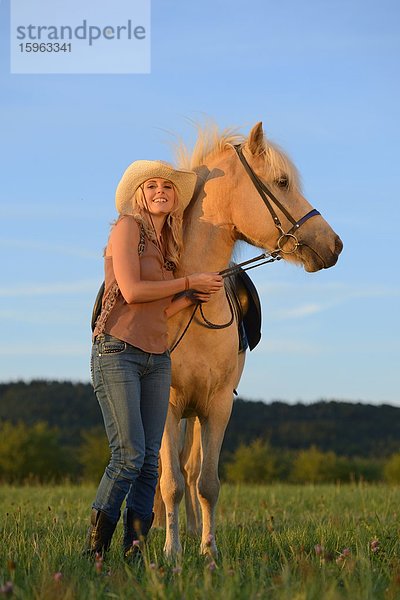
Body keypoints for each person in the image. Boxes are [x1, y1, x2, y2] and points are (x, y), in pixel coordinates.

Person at [87, 159, 223, 559]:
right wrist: (188, 282)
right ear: (139, 195)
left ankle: (135, 546)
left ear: (176, 198)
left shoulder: (170, 246)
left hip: (156, 357)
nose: (160, 190)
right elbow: (130, 291)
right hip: (117, 351)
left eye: (167, 186)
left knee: (150, 461)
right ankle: (95, 548)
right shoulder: (127, 229)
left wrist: (189, 297)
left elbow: (158, 311)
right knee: (128, 455)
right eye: (151, 186)